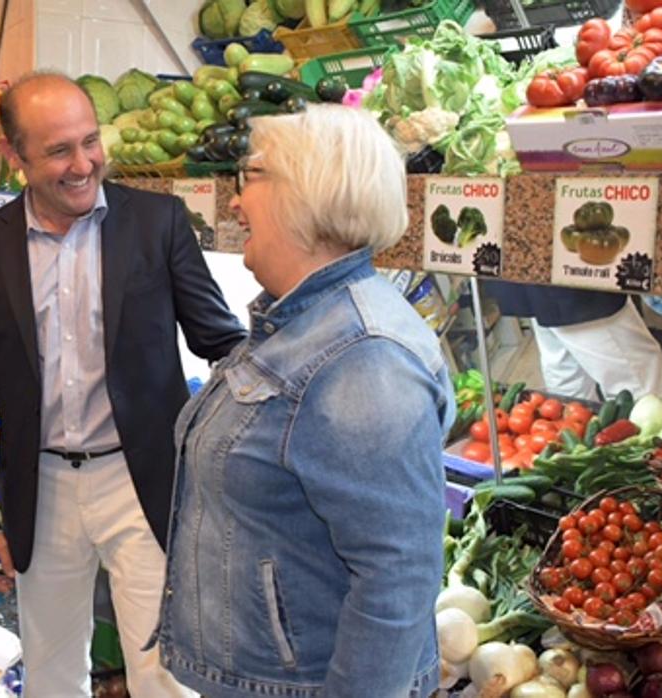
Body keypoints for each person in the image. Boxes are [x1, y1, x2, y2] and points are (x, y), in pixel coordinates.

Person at [0, 71, 245, 697]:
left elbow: (221, 341)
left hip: (141, 483)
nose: (83, 165)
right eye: (58, 151)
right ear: (14, 155)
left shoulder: (157, 223)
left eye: (90, 141)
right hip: (39, 486)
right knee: (51, 674)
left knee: (165, 673)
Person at [155, 105, 452, 697]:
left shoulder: (365, 357)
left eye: (251, 176)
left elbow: (397, 577)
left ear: (309, 191)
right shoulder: (298, 320)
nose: (234, 202)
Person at [484, 282, 662, 410]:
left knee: (570, 387)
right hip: (573, 283)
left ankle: (594, 460)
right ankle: (660, 460)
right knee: (638, 381)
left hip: (536, 276)